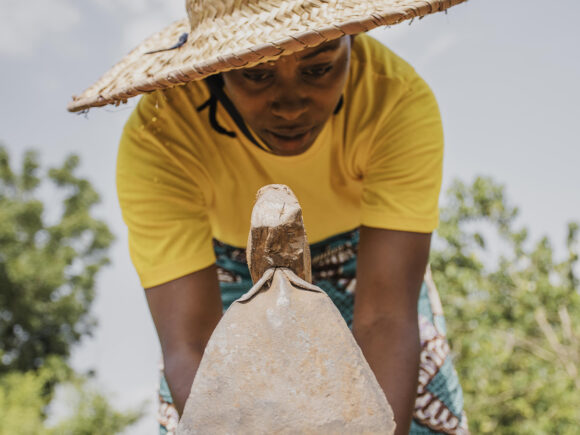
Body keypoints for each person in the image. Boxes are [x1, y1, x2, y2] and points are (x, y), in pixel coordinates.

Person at [68, 1, 469, 433]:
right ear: (215, 69)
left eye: (318, 69)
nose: (291, 105)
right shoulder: (160, 139)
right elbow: (192, 345)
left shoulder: (396, 102)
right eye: (256, 74)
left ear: (350, 40)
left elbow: (386, 317)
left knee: (420, 419)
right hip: (226, 277)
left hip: (369, 262)